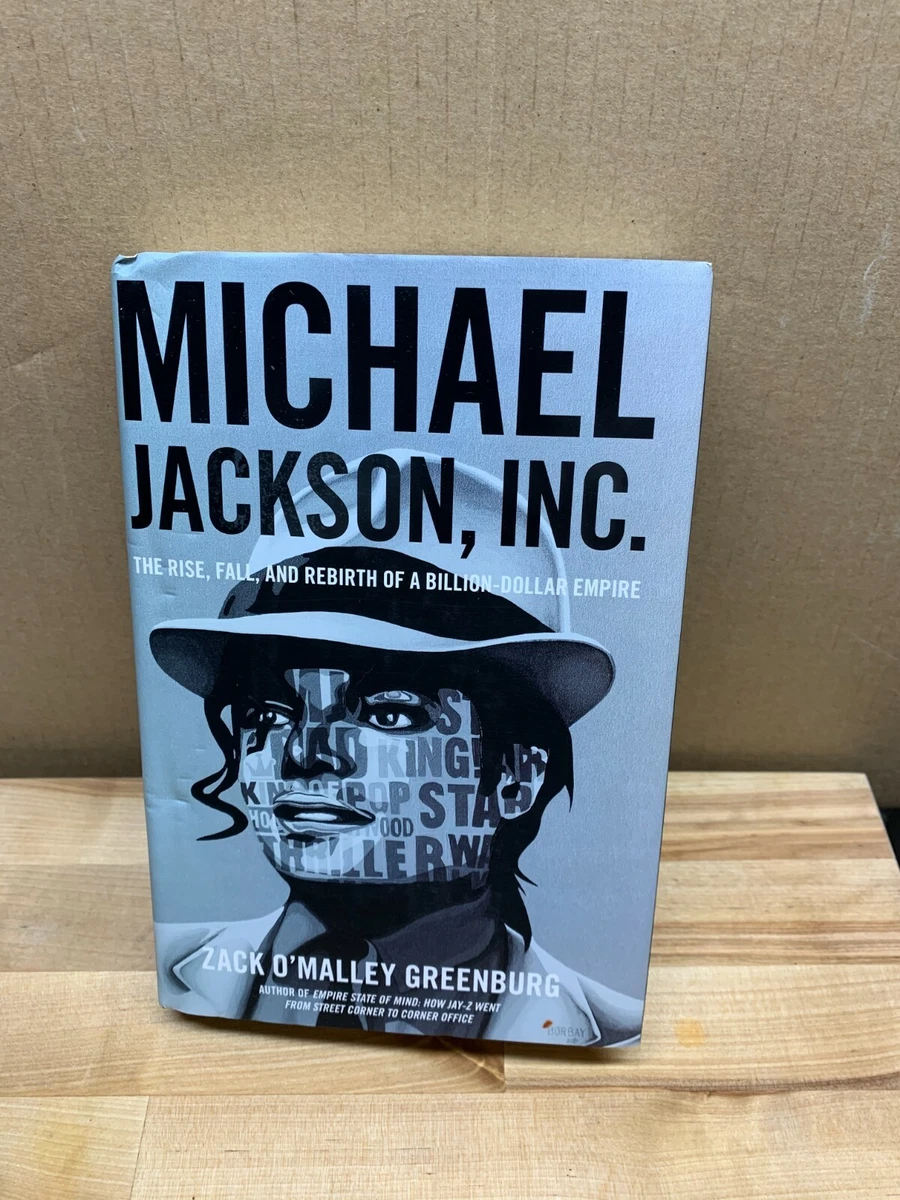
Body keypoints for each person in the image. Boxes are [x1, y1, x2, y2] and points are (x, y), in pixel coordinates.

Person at [150, 453, 643, 1046]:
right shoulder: (176, 973)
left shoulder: (612, 1032)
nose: (306, 753)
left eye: (388, 714)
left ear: (517, 776)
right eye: (272, 713)